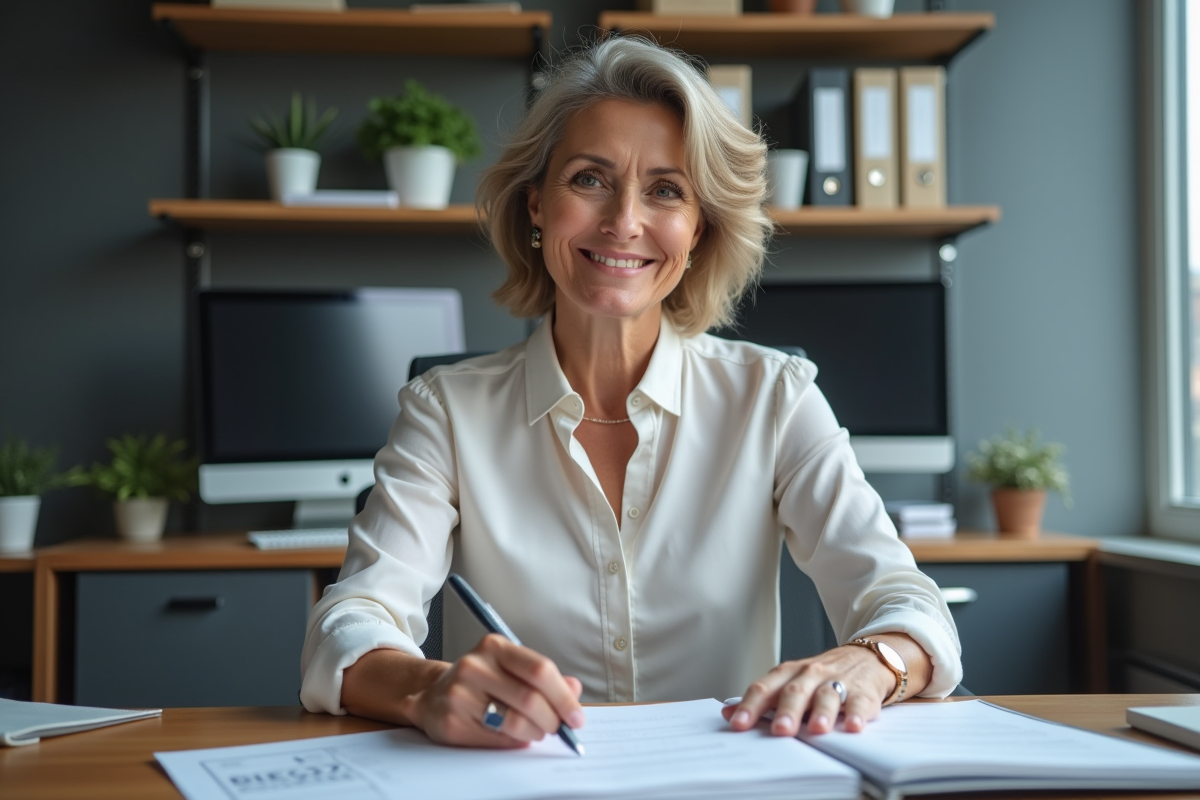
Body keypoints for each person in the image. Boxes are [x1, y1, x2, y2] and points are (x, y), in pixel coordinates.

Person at [300, 35, 961, 749]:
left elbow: (908, 605)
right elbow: (350, 624)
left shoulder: (776, 398)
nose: (623, 221)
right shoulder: (446, 411)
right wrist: (428, 688)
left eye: (666, 190)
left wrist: (871, 661)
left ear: (699, 228)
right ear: (535, 204)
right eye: (589, 179)